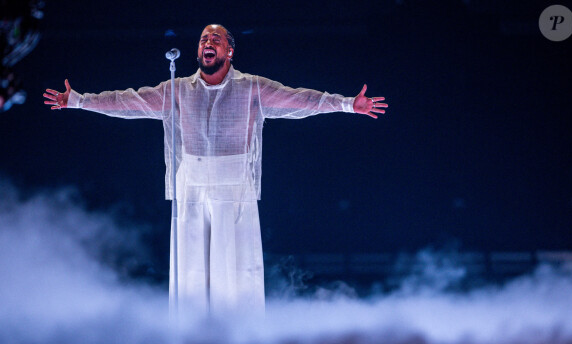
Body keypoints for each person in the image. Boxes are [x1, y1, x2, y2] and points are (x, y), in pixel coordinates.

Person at [43, 24, 388, 317]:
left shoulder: (252, 86)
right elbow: (128, 101)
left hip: (233, 182)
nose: (208, 43)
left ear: (230, 52)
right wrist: (79, 100)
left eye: (216, 39)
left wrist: (346, 104)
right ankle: (189, 336)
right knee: (191, 268)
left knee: (233, 267)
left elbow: (300, 100)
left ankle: (239, 336)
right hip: (191, 182)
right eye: (203, 39)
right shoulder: (177, 88)